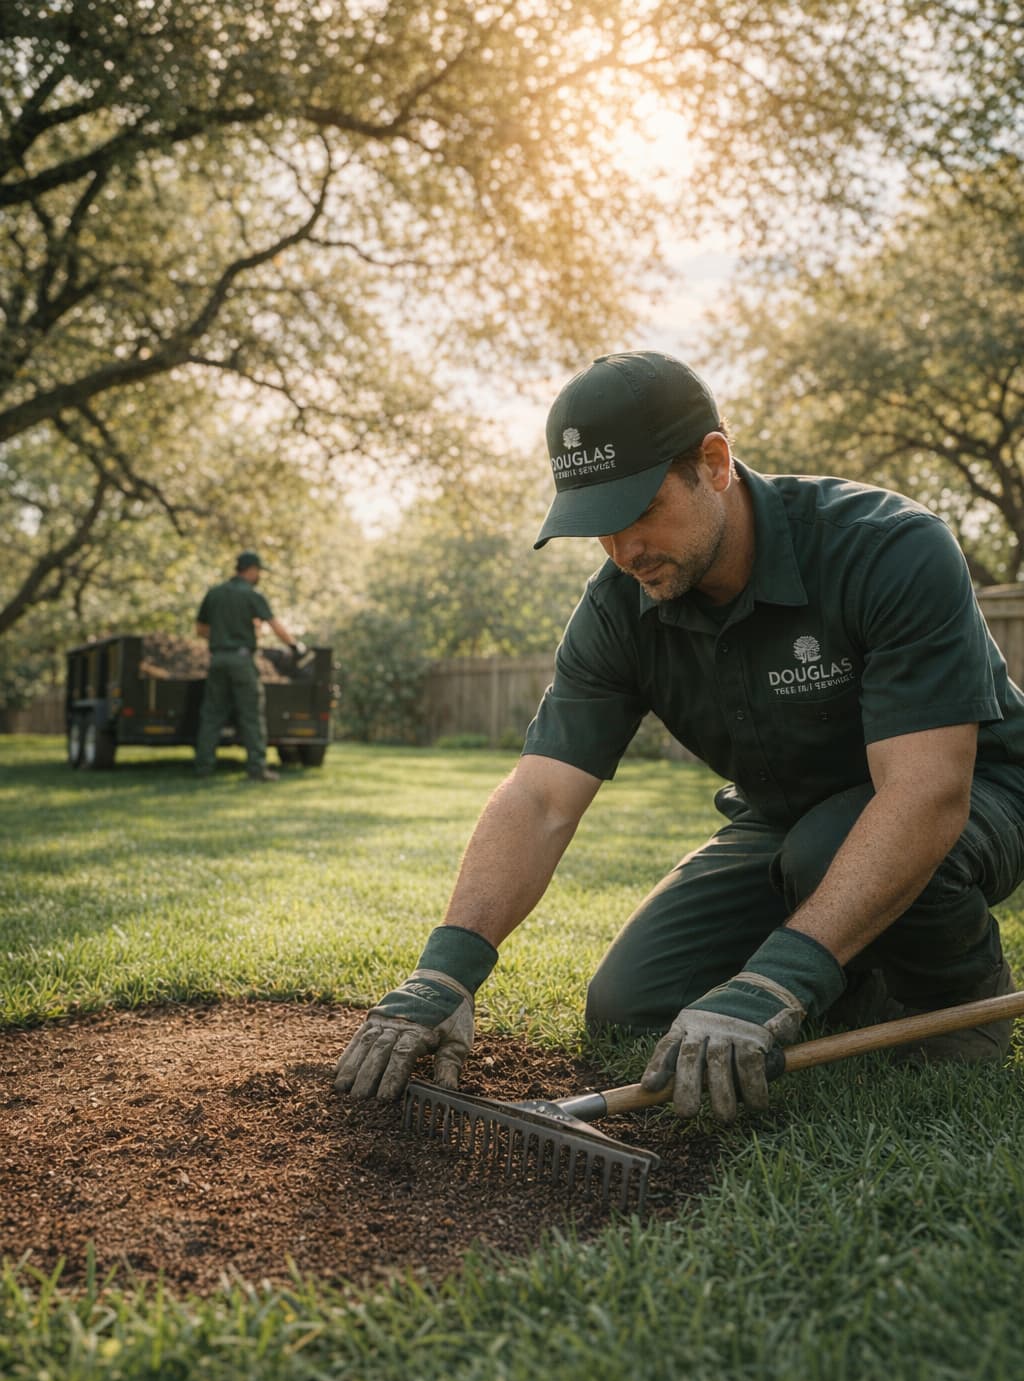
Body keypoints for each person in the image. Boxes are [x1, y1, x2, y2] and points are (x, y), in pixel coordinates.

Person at [334, 351, 1024, 1120]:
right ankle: (856, 968)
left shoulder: (888, 548)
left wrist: (778, 978)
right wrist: (447, 970)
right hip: (783, 817)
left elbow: (927, 791)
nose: (623, 550)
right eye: (597, 526)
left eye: (638, 510)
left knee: (825, 851)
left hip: (971, 794)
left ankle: (956, 997)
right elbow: (540, 797)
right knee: (632, 1002)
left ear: (715, 462)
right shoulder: (616, 609)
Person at [194, 550, 306, 782]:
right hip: (242, 660)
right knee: (251, 715)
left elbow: (201, 630)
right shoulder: (252, 595)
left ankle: (203, 768)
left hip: (217, 659)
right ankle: (256, 768)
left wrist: (222, 638)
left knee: (212, 714)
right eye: (259, 572)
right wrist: (295, 646)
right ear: (251, 570)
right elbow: (274, 625)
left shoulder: (214, 594)